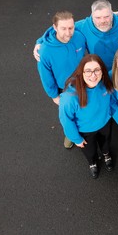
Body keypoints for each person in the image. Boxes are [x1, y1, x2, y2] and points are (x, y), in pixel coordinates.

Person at [36, 11, 88, 149]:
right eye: (63, 28)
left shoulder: (79, 36)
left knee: (85, 108)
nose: (68, 33)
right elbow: (45, 77)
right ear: (54, 27)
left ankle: (85, 130)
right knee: (69, 114)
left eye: (70, 28)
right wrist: (54, 95)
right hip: (64, 89)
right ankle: (71, 135)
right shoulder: (45, 51)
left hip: (84, 81)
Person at [58, 54, 115, 179]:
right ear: (81, 72)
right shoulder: (70, 97)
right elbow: (66, 120)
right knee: (90, 151)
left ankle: (106, 155)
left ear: (102, 71)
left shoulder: (106, 83)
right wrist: (76, 139)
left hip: (105, 123)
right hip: (85, 131)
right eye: (88, 71)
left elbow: (112, 101)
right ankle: (92, 163)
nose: (93, 75)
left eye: (97, 70)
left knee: (105, 144)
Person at [34, 0, 118, 66]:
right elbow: (58, 28)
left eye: (106, 16)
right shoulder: (83, 26)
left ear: (112, 14)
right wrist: (39, 41)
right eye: (98, 17)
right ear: (92, 15)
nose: (103, 21)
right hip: (98, 73)